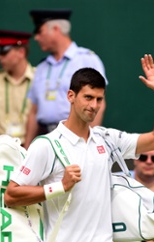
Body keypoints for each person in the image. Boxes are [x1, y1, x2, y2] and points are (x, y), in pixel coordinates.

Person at [4, 55, 154, 242]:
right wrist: (59, 187)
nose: (93, 105)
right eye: (88, 97)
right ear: (71, 96)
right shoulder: (46, 145)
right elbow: (11, 195)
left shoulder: (107, 139)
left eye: (99, 99)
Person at [24, 9, 107, 146]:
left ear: (56, 29)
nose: (36, 38)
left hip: (75, 137)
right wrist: (27, 147)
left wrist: (88, 142)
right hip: (45, 139)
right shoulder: (42, 67)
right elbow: (34, 111)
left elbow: (99, 104)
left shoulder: (86, 59)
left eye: (40, 31)